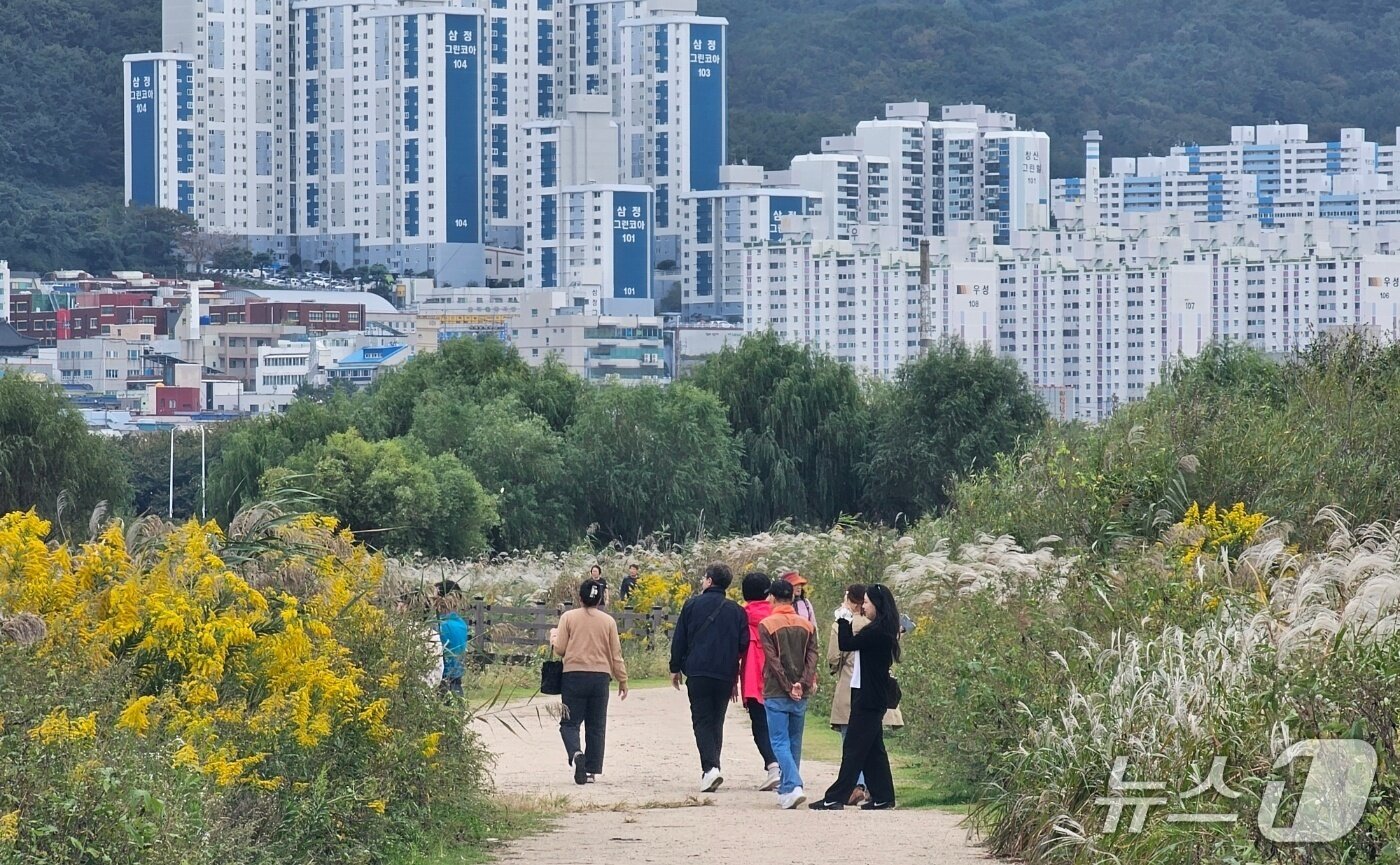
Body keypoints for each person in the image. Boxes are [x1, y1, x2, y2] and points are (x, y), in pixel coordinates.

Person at [810, 584, 902, 811]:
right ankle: (883, 796)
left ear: (877, 605)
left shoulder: (877, 632)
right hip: (870, 695)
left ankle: (836, 797)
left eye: (868, 603)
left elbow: (846, 643)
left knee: (853, 748)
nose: (864, 607)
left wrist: (843, 617)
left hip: (869, 698)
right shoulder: (881, 629)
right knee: (873, 750)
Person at [669, 562, 748, 793]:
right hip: (725, 672)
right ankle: (713, 767)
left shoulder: (692, 605)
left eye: (704, 578)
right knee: (717, 720)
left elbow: (680, 639)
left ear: (709, 581)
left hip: (698, 671)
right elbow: (743, 643)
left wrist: (675, 667)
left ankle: (710, 768)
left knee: (702, 719)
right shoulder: (737, 611)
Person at [551, 578, 629, 785]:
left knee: (570, 722)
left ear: (579, 598)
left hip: (573, 675)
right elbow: (616, 654)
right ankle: (592, 770)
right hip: (600, 677)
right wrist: (622, 678)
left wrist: (553, 638)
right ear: (600, 600)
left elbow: (560, 649)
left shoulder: (568, 617)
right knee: (596, 725)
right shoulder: (608, 622)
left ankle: (576, 753)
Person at [758, 579, 819, 809]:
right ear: (792, 598)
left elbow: (772, 661)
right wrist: (802, 684)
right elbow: (812, 657)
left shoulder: (767, 624)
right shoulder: (807, 625)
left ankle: (793, 784)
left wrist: (787, 685)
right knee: (795, 741)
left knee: (778, 741)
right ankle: (786, 789)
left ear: (773, 597)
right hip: (800, 693)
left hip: (776, 690)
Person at [738, 572, 780, 791]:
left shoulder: (742, 615)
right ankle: (786, 765)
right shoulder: (777, 613)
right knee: (780, 720)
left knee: (760, 723)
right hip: (777, 673)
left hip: (753, 674)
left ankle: (772, 765)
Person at [436, 593, 470, 697]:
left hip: (443, 672)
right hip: (458, 670)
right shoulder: (461, 624)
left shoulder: (440, 625)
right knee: (458, 700)